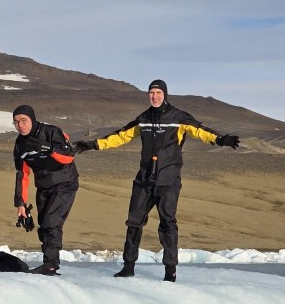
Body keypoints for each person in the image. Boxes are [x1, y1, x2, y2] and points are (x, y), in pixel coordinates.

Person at [73, 79, 240, 282]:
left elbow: (200, 130)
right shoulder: (143, 118)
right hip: (145, 178)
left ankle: (170, 271)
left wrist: (221, 140)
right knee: (134, 222)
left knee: (167, 223)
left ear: (165, 94)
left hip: (168, 179)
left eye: (158, 92)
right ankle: (128, 267)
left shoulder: (178, 117)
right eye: (151, 92)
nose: (154, 96)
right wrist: (92, 145)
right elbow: (121, 135)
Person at [11, 105, 79, 276]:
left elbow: (69, 156)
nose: (20, 125)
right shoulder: (20, 145)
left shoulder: (51, 132)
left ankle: (50, 265)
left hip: (65, 183)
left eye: (24, 121)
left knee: (51, 222)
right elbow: (23, 175)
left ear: (32, 119)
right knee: (43, 224)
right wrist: (21, 203)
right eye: (16, 122)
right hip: (43, 186)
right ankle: (48, 262)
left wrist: (49, 149)